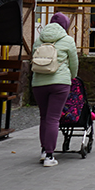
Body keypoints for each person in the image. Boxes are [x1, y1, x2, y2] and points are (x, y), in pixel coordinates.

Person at [32, 12, 78, 167]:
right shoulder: (68, 40)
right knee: (53, 118)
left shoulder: (39, 40)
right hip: (60, 84)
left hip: (38, 83)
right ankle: (50, 156)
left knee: (44, 117)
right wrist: (71, 77)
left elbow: (33, 57)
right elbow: (74, 63)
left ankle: (44, 150)